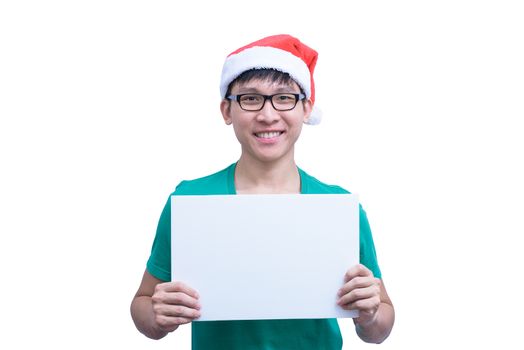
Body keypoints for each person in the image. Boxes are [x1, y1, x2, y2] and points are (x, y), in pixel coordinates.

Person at [130, 34, 395, 349]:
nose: (268, 115)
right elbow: (143, 305)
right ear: (227, 111)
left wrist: (369, 314)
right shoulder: (190, 201)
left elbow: (380, 326)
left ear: (306, 108)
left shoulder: (338, 207)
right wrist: (158, 315)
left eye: (284, 98)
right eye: (251, 98)